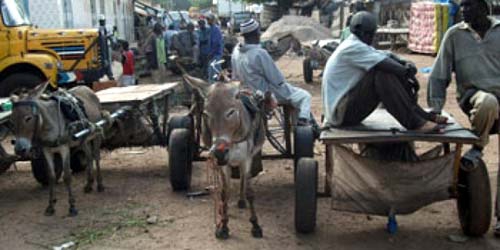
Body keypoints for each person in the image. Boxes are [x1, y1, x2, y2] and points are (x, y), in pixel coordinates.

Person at [427, 0, 500, 236]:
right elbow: (439, 75)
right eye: (462, 6)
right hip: (474, 96)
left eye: (469, 6)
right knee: (488, 102)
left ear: (484, 8)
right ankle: (478, 146)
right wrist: (435, 110)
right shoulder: (454, 35)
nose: (464, 10)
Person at [322, 11, 445, 132]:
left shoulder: (356, 43)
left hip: (344, 109)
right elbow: (388, 65)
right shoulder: (353, 47)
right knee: (382, 74)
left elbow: (386, 55)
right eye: (372, 34)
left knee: (387, 69)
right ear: (366, 34)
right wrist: (407, 71)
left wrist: (404, 63)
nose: (373, 37)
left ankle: (422, 116)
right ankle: (414, 123)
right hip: (341, 115)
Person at [231, 19, 317, 128]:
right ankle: (303, 122)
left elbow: (235, 76)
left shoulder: (236, 52)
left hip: (246, 91)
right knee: (304, 96)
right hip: (265, 93)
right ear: (256, 34)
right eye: (258, 32)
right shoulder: (260, 53)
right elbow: (277, 80)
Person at [206, 14, 224, 83]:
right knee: (211, 72)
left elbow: (216, 43)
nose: (208, 21)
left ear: (213, 20)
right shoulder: (210, 29)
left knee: (215, 72)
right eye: (207, 19)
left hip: (216, 54)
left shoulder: (215, 29)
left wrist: (211, 53)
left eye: (209, 19)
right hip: (212, 54)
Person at [98, 15, 114, 81]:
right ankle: (103, 74)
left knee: (108, 61)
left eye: (103, 21)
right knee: (103, 61)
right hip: (101, 47)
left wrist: (110, 39)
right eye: (101, 21)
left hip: (107, 46)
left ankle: (110, 75)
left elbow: (110, 36)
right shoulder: (98, 28)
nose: (103, 22)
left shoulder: (107, 27)